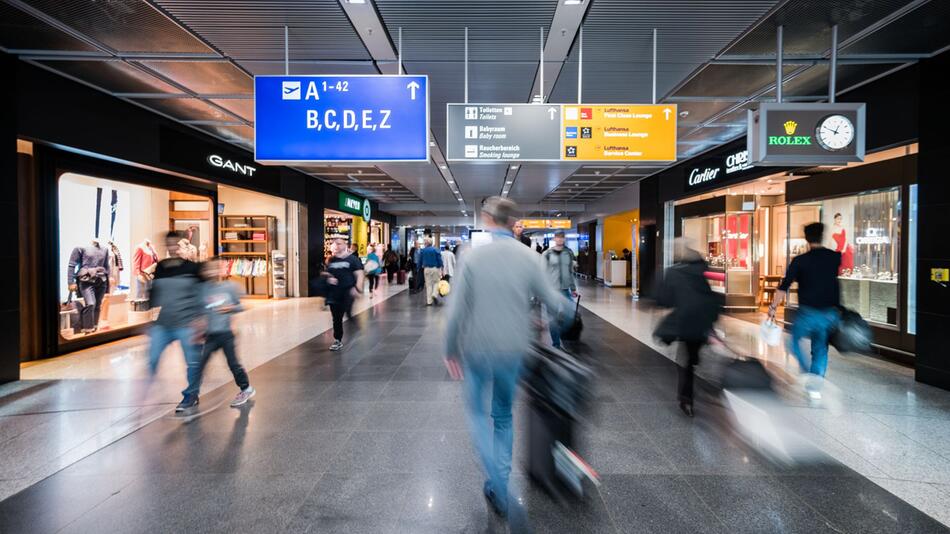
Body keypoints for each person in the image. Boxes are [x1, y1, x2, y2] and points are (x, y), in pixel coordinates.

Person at [444, 197, 572, 519]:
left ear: (488, 219)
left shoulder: (473, 257)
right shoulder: (530, 257)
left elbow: (456, 311)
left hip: (477, 349)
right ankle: (498, 481)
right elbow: (556, 303)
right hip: (514, 350)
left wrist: (449, 348)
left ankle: (500, 488)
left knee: (476, 415)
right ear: (511, 221)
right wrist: (564, 316)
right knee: (503, 416)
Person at [770, 222, 841, 400]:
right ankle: (814, 385)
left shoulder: (800, 261)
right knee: (820, 349)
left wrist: (772, 308)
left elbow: (784, 286)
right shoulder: (834, 257)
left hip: (808, 312)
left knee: (793, 342)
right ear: (822, 236)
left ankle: (807, 374)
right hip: (829, 313)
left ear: (806, 239)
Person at [655, 238, 722, 417]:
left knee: (685, 361)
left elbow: (664, 300)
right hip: (705, 320)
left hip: (685, 321)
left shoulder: (673, 272)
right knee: (693, 355)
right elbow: (712, 292)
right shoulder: (703, 268)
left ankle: (687, 398)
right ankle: (705, 383)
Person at [180, 258, 256, 409]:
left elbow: (242, 307)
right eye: (208, 269)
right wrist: (197, 327)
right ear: (204, 272)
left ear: (220, 270)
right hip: (210, 335)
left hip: (226, 334)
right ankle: (192, 395)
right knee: (200, 365)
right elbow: (198, 310)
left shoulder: (229, 287)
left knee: (233, 363)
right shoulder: (203, 290)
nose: (212, 272)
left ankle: (246, 389)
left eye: (215, 268)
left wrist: (230, 308)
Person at [147, 231, 205, 415]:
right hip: (164, 322)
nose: (172, 248)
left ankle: (191, 395)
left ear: (180, 246)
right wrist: (148, 321)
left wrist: (201, 320)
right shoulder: (161, 267)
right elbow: (154, 295)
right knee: (152, 358)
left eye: (175, 244)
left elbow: (202, 295)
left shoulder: (193, 268)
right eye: (169, 244)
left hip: (187, 323)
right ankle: (145, 394)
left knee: (193, 362)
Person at [324, 237, 364, 351]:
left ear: (345, 245)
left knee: (347, 312)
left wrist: (358, 289)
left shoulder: (353, 259)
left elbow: (360, 274)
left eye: (339, 243)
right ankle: (337, 339)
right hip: (334, 293)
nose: (337, 246)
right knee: (336, 317)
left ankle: (354, 325)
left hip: (348, 291)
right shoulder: (331, 260)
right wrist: (329, 278)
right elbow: (327, 273)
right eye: (334, 244)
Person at [541, 230, 578, 348]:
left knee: (569, 316)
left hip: (565, 289)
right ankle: (556, 343)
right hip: (551, 290)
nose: (560, 239)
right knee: (553, 318)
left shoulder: (569, 252)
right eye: (558, 237)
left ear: (564, 239)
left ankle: (561, 332)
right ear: (554, 239)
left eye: (562, 237)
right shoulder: (547, 253)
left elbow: (571, 272)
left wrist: (573, 288)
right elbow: (542, 273)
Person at [419, 237, 444, 305]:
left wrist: (419, 267)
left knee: (428, 285)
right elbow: (439, 260)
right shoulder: (436, 249)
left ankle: (429, 301)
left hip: (426, 269)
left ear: (426, 243)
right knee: (436, 282)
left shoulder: (423, 251)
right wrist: (441, 266)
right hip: (435, 268)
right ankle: (434, 294)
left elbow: (420, 260)